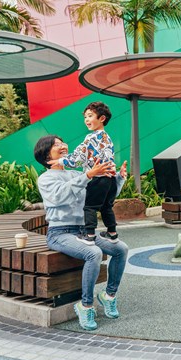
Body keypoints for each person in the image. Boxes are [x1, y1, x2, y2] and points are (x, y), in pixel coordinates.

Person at [35, 135, 130, 331]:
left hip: (84, 232)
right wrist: (87, 176)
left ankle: (108, 296)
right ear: (46, 156)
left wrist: (118, 180)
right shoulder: (45, 178)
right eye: (56, 145)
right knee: (93, 253)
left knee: (121, 249)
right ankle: (85, 305)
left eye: (62, 142)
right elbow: (59, 196)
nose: (62, 145)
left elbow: (98, 198)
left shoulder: (75, 173)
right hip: (60, 233)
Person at [51, 101, 118, 245]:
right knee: (106, 206)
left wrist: (62, 161)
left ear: (102, 118)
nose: (86, 120)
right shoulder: (108, 138)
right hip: (110, 178)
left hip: (98, 177)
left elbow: (78, 157)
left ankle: (90, 235)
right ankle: (112, 233)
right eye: (85, 117)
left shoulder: (91, 138)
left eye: (90, 116)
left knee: (90, 207)